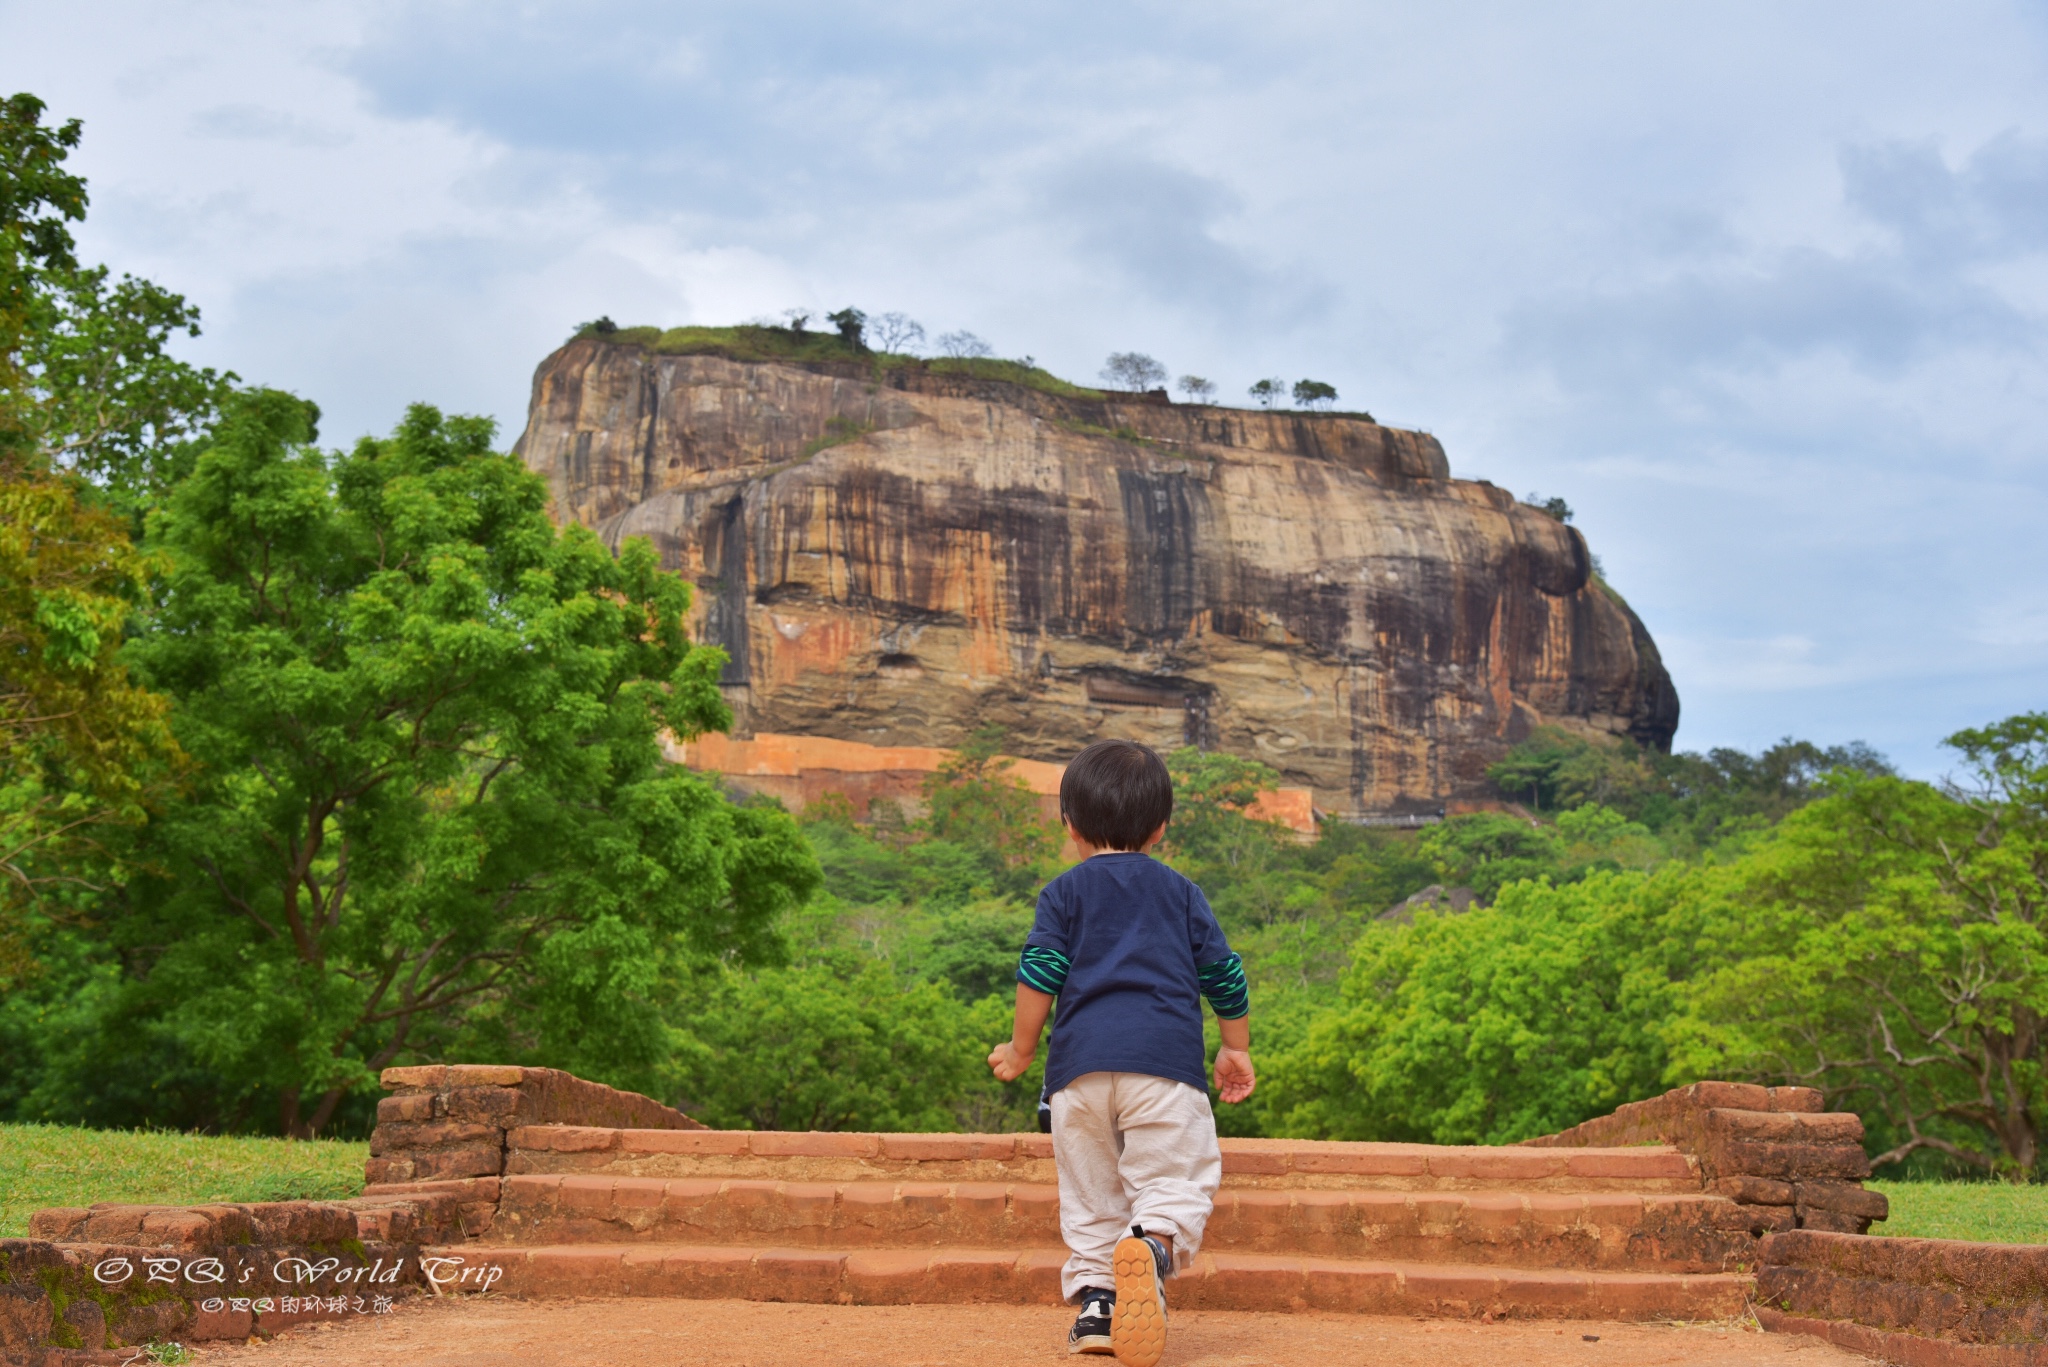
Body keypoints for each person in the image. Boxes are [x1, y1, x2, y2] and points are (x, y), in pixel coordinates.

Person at [987, 739, 1255, 1365]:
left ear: (1070, 823)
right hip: (1163, 1067)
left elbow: (1040, 971)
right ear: (1160, 826)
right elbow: (1224, 976)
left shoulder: (1063, 892)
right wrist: (1233, 1047)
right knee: (1172, 1178)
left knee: (1091, 1194)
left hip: (1077, 1075)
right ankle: (1153, 1246)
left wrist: (1022, 1049)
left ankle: (1099, 1309)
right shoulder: (1182, 893)